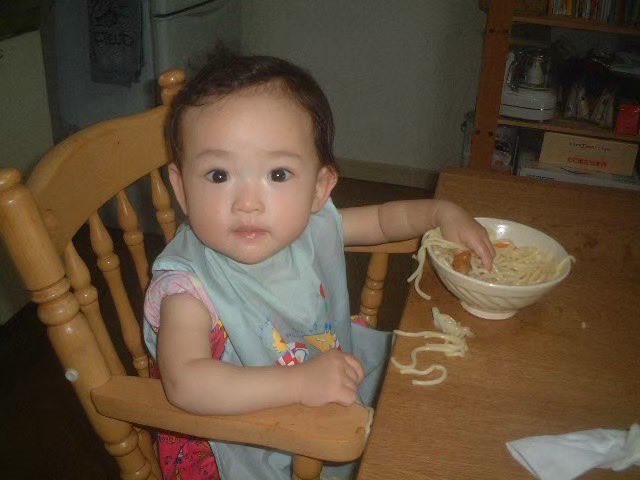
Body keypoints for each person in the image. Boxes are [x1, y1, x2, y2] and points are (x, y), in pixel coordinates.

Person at [143, 45, 494, 480]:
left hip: (319, 384)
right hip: (236, 440)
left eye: (277, 174)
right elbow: (186, 384)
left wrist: (440, 213)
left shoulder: (304, 225)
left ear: (319, 188)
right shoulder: (188, 289)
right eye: (219, 175)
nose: (248, 203)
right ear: (181, 188)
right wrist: (300, 383)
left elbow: (383, 221)